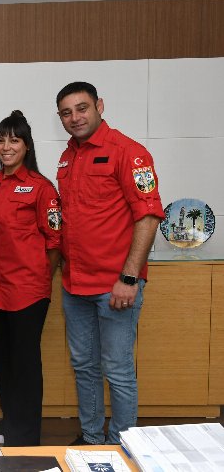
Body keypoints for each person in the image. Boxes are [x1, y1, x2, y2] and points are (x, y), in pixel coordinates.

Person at [55, 82, 164, 445]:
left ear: (99, 106)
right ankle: (91, 439)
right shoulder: (67, 157)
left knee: (117, 370)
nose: (75, 118)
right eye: (66, 113)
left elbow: (148, 216)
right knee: (84, 367)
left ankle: (122, 446)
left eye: (82, 108)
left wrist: (129, 278)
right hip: (75, 285)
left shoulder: (129, 152)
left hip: (115, 285)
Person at [0, 110, 61, 446]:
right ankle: (11, 419)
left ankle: (26, 433)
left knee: (24, 362)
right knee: (2, 359)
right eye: (1, 140)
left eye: (14, 140)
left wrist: (40, 278)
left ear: (27, 145)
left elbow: (55, 241)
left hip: (28, 291)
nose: (6, 147)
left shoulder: (42, 188)